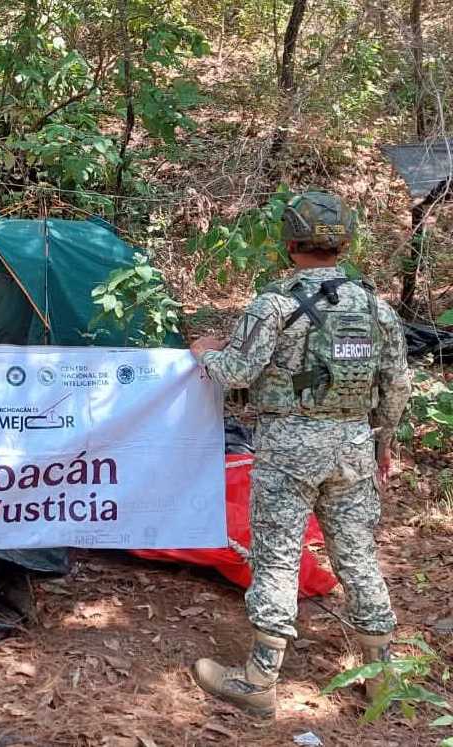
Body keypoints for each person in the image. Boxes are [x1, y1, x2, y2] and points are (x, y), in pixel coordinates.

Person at [188, 191, 410, 717]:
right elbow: (397, 385)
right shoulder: (375, 307)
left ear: (290, 243)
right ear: (345, 244)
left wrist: (203, 353)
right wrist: (382, 442)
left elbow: (237, 372)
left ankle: (259, 680)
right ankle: (381, 678)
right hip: (353, 445)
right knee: (357, 556)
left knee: (278, 556)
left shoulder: (275, 304)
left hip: (289, 447)